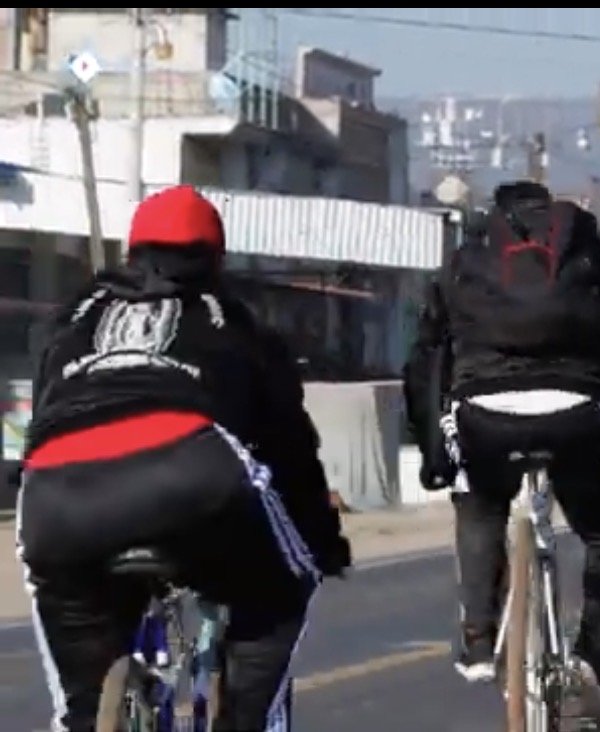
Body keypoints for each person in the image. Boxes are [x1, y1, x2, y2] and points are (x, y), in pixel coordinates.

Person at [16, 185, 351, 732]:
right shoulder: (232, 319)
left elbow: (45, 415)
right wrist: (324, 544)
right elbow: (290, 448)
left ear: (132, 252)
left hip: (60, 491)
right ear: (215, 259)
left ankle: (84, 717)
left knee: (79, 680)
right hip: (191, 474)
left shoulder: (70, 316)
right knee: (285, 585)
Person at [403, 181, 600, 727]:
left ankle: (479, 641)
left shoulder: (468, 254)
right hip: (574, 408)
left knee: (482, 505)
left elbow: (427, 353)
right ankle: (590, 663)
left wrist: (430, 443)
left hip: (484, 412)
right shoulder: (587, 247)